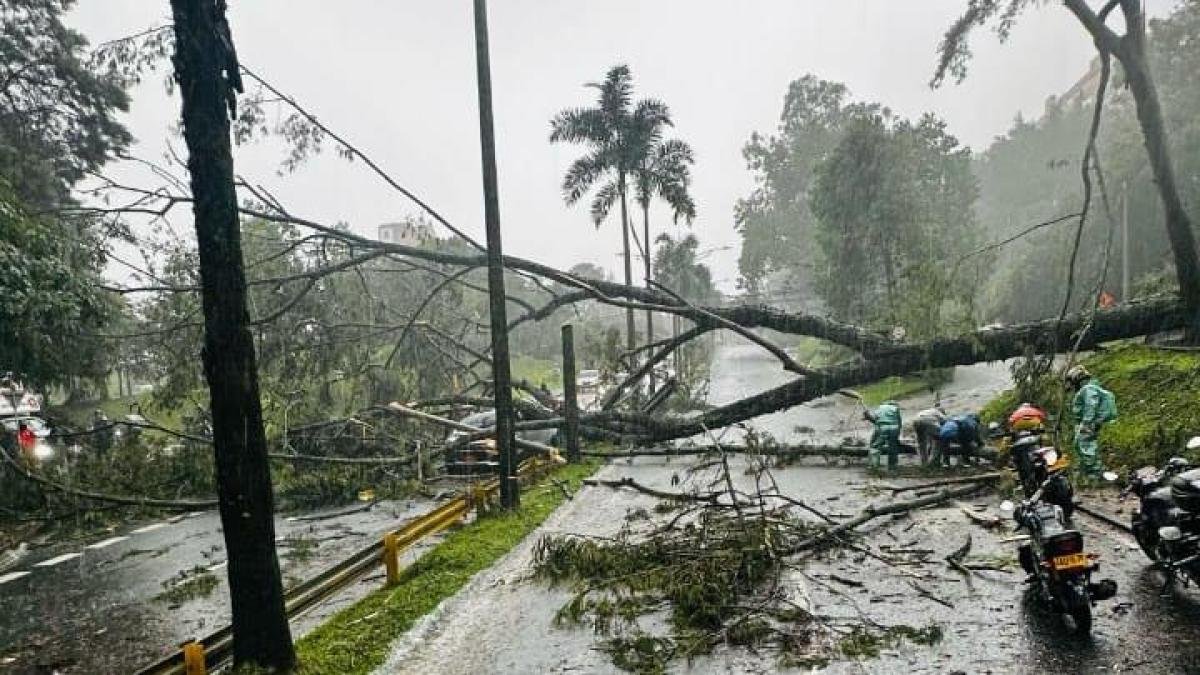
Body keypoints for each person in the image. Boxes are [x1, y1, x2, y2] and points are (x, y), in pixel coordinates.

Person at [1067, 365, 1117, 478]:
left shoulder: (1088, 389)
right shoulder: (1091, 387)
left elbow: (1091, 405)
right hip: (1094, 421)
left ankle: (1094, 474)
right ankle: (1088, 471)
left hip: (1091, 422)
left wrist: (1086, 422)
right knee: (1081, 444)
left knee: (1084, 444)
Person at [864, 400, 902, 471]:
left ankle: (873, 466)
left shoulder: (880, 408)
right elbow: (899, 423)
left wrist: (867, 416)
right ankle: (892, 467)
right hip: (894, 428)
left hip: (882, 428)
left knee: (875, 446)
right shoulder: (896, 408)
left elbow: (875, 420)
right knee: (893, 448)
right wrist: (897, 437)